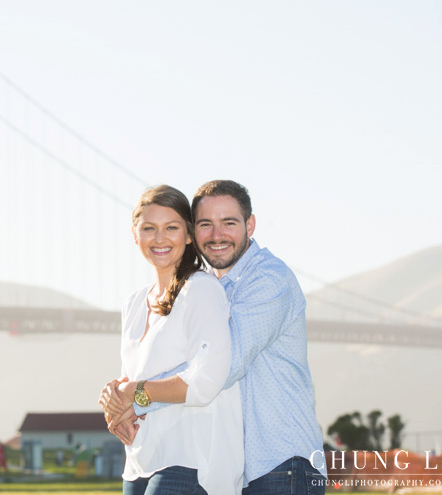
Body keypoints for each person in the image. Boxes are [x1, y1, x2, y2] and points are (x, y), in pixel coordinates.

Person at [105, 180, 326, 495]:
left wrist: (135, 399)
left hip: (281, 461)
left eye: (229, 223)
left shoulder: (268, 279)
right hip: (238, 467)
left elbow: (220, 367)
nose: (216, 235)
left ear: (250, 225)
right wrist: (119, 394)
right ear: (194, 232)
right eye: (205, 224)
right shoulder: (204, 286)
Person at [99, 185, 244, 495]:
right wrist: (113, 399)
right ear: (135, 235)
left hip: (190, 460)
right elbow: (134, 380)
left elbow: (205, 382)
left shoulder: (201, 290)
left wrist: (132, 393)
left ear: (189, 235)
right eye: (149, 228)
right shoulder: (133, 303)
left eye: (172, 228)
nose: (160, 238)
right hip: (138, 461)